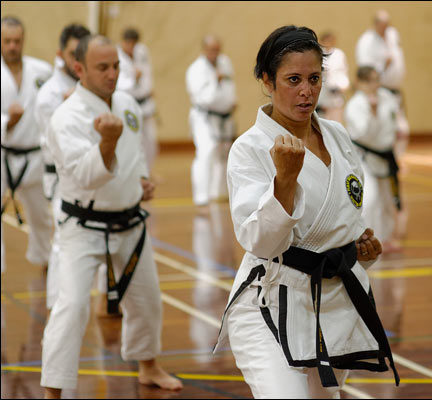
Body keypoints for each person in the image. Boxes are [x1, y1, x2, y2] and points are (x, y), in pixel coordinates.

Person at [213, 25, 399, 398]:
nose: (306, 91)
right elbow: (259, 241)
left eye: (314, 78)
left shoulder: (337, 136)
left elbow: (344, 217)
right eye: (293, 79)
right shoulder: (250, 148)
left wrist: (361, 249)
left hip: (333, 305)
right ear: (267, 80)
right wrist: (285, 181)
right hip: (270, 302)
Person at [40, 35, 182, 398]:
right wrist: (106, 143)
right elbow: (85, 175)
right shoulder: (66, 117)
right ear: (79, 69)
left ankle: (147, 365)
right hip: (82, 226)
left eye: (116, 65)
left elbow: (133, 156)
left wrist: (140, 183)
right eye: (102, 67)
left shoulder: (127, 103)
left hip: (129, 221)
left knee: (147, 299)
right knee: (71, 306)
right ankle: (53, 389)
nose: (112, 74)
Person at [34, 23, 90, 311]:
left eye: (83, 53)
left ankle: (107, 299)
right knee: (62, 241)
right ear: (60, 54)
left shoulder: (89, 87)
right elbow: (57, 145)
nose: (78, 60)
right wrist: (70, 109)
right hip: (61, 179)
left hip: (92, 179)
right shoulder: (50, 95)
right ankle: (56, 306)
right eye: (72, 54)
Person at [1, 16, 53, 275]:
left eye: (17, 41)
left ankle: (45, 257)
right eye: (7, 41)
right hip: (3, 155)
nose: (12, 46)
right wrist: (7, 122)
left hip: (34, 155)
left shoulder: (42, 70)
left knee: (41, 215)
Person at [344, 66, 402, 251]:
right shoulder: (355, 104)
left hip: (385, 154)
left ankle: (384, 238)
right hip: (363, 156)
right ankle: (366, 239)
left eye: (376, 79)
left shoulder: (386, 97)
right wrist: (373, 113)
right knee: (370, 198)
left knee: (386, 199)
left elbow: (395, 123)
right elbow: (361, 133)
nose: (374, 84)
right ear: (359, 83)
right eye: (369, 81)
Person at [185, 35, 236, 210]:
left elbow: (230, 86)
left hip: (224, 116)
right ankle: (201, 195)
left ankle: (218, 192)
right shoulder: (196, 69)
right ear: (204, 49)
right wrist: (216, 80)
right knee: (206, 151)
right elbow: (203, 98)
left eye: (217, 49)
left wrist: (231, 102)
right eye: (212, 50)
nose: (215, 53)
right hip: (204, 117)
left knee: (223, 154)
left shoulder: (225, 62)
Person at [356, 10, 409, 159]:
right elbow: (365, 71)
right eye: (383, 24)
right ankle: (383, 158)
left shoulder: (392, 35)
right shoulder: (366, 41)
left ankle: (397, 158)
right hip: (379, 90)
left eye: (387, 24)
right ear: (376, 24)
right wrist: (383, 66)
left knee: (401, 129)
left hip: (394, 89)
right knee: (385, 128)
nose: (386, 27)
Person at [116, 27, 158, 174]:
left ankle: (147, 173)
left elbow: (148, 73)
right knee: (132, 140)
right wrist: (134, 78)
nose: (131, 47)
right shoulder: (116, 56)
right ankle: (134, 172)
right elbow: (119, 84)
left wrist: (148, 88)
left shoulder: (142, 51)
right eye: (128, 43)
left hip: (146, 102)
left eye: (134, 43)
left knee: (150, 142)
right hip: (129, 103)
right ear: (123, 42)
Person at [316, 31, 349, 123]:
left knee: (336, 123)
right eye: (326, 41)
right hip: (322, 96)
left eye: (330, 41)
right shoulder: (317, 55)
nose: (328, 43)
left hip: (336, 94)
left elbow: (343, 72)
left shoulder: (339, 54)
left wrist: (343, 86)